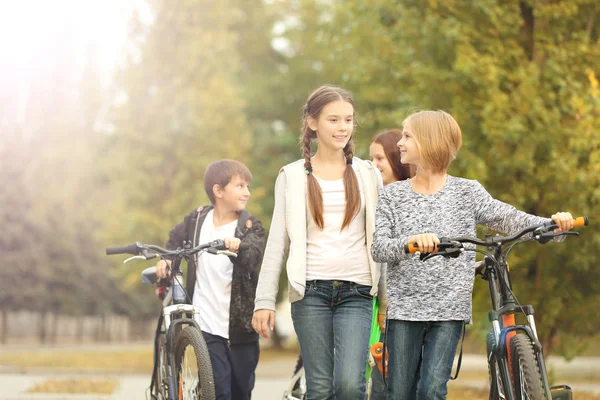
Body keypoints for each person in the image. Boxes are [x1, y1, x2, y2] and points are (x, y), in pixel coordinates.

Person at [371, 110, 574, 400]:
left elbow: (510, 219)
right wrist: (410, 243)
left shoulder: (467, 192)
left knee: (431, 391)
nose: (400, 143)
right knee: (399, 393)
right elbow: (379, 248)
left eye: (407, 136)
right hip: (405, 311)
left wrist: (553, 225)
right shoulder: (393, 196)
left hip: (450, 310)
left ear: (429, 142)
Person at [252, 84, 385, 400]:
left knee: (351, 386)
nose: (343, 128)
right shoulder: (292, 176)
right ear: (312, 122)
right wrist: (264, 301)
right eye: (334, 120)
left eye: (348, 120)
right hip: (310, 292)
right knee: (321, 388)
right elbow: (277, 243)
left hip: (358, 291)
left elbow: (381, 239)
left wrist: (386, 300)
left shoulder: (368, 174)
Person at [155, 159, 265, 400]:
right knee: (220, 391)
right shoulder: (197, 220)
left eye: (248, 186)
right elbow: (174, 239)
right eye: (240, 186)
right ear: (218, 191)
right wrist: (167, 260)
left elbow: (253, 257)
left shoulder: (249, 225)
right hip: (206, 322)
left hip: (240, 327)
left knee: (241, 392)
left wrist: (239, 247)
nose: (247, 192)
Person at [368, 129, 414, 400]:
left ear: (396, 160)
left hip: (400, 305)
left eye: (379, 159)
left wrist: (386, 305)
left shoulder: (408, 201)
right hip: (373, 302)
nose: (373, 166)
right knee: (378, 378)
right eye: (370, 159)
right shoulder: (371, 200)